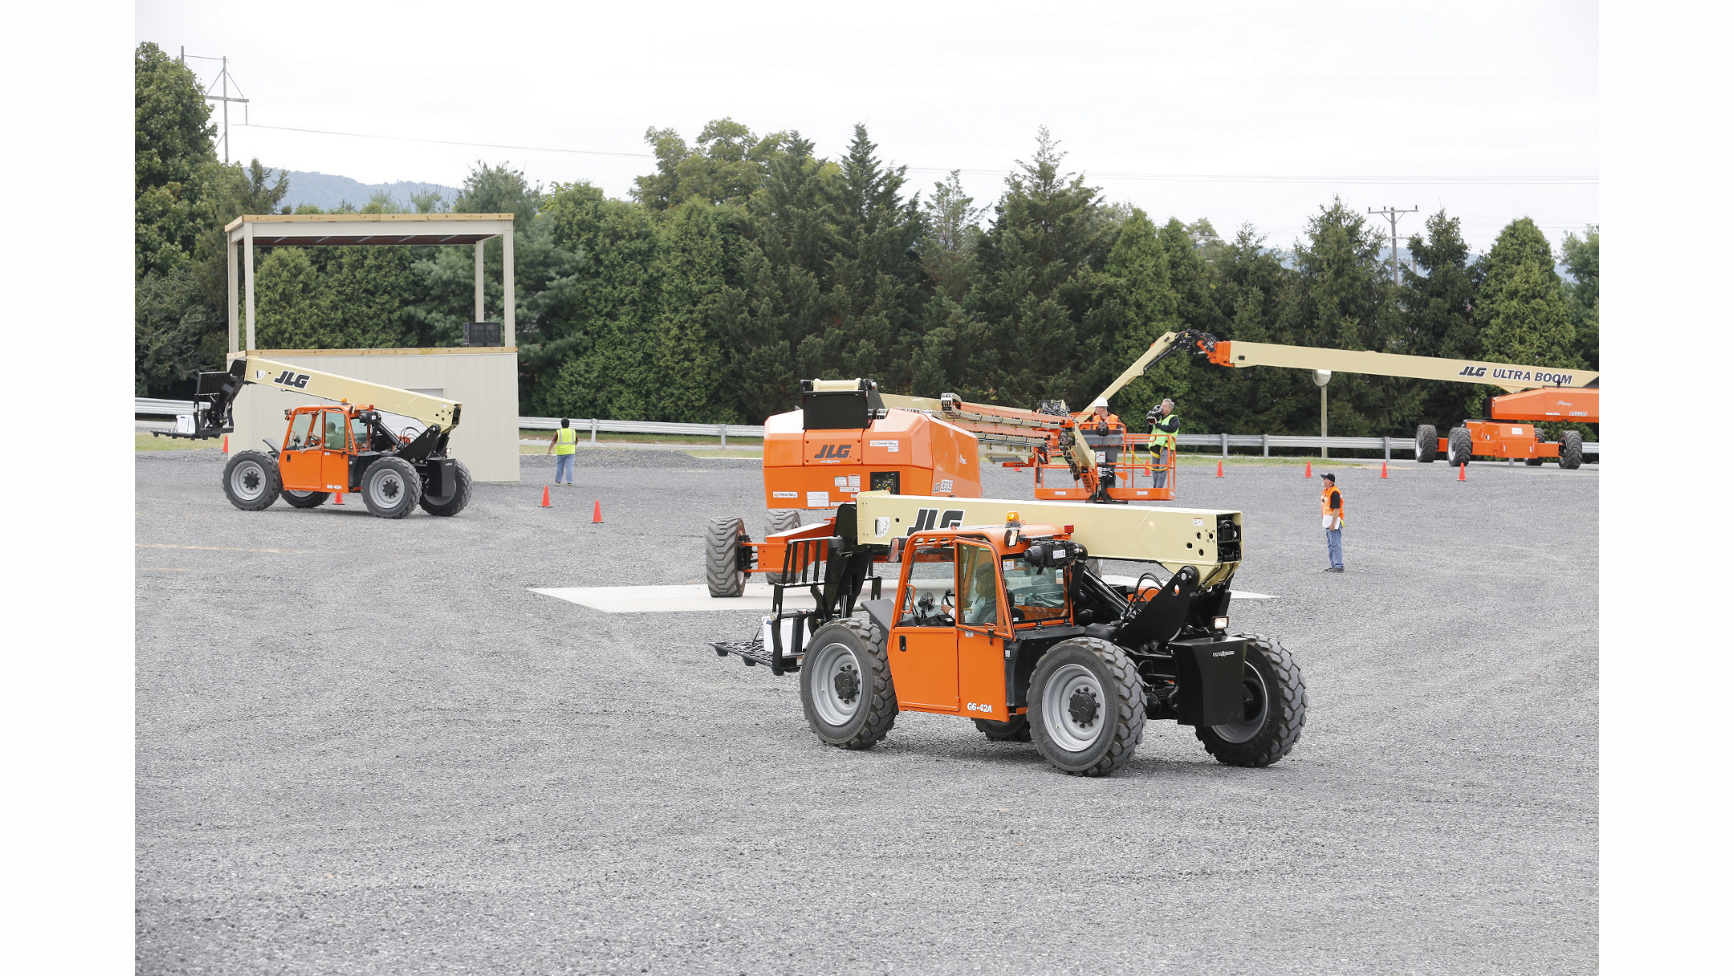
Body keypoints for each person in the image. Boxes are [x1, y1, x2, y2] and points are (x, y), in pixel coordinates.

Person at [1148, 398, 1179, 488]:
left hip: (1166, 446)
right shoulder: (1159, 419)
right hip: (1155, 446)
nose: (1162, 408)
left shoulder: (1173, 418)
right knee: (1154, 468)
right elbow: (1149, 432)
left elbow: (1171, 428)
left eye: (1164, 406)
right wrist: (1150, 422)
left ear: (1170, 409)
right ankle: (1155, 487)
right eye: (1162, 406)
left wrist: (1157, 424)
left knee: (1162, 468)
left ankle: (1159, 487)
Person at [1319, 472, 1345, 572]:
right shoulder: (1326, 491)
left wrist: (1333, 524)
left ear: (1329, 481)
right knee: (1330, 543)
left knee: (1335, 543)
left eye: (1324, 479)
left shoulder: (1334, 492)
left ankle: (1338, 565)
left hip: (1333, 521)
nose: (1322, 480)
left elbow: (1336, 510)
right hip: (1327, 520)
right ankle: (1334, 564)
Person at [547, 418, 578, 485]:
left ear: (561, 424)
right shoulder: (573, 431)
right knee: (569, 466)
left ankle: (558, 480)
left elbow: (554, 441)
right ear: (569, 424)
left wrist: (549, 449)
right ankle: (569, 481)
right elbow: (577, 440)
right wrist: (573, 445)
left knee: (559, 466)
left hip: (560, 451)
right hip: (570, 451)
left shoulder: (559, 432)